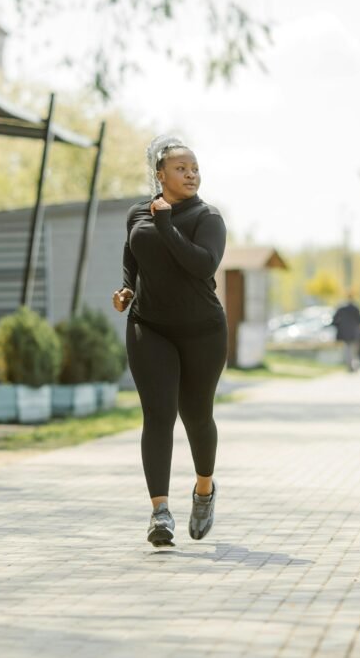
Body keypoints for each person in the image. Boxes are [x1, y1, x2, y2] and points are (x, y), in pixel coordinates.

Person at [112, 135, 228, 547]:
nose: (191, 173)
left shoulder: (207, 217)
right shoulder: (137, 214)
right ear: (160, 175)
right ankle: (160, 513)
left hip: (202, 331)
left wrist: (165, 224)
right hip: (151, 327)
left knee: (196, 415)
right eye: (182, 168)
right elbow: (133, 256)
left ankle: (203, 490)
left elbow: (202, 265)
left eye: (195, 167)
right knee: (158, 415)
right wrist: (127, 290)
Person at [331, 294, 360, 372]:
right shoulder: (355, 308)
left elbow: (334, 320)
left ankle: (349, 365)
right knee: (353, 350)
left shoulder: (342, 308)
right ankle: (354, 365)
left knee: (347, 349)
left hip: (344, 332)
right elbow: (359, 321)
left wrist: (339, 326)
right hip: (354, 332)